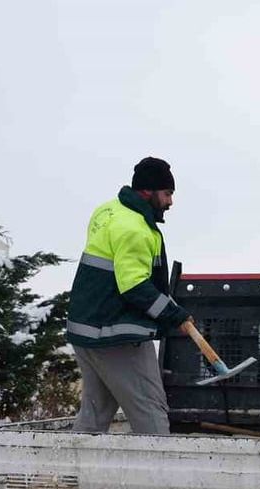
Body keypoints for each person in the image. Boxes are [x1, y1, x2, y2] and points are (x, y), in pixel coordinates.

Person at [66, 157, 191, 434]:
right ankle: (161, 474)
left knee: (95, 412)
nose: (170, 202)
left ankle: (68, 476)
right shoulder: (134, 228)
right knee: (151, 410)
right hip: (116, 334)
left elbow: (119, 276)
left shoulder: (107, 211)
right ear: (147, 192)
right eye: (167, 194)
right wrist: (173, 314)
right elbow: (133, 286)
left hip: (86, 330)